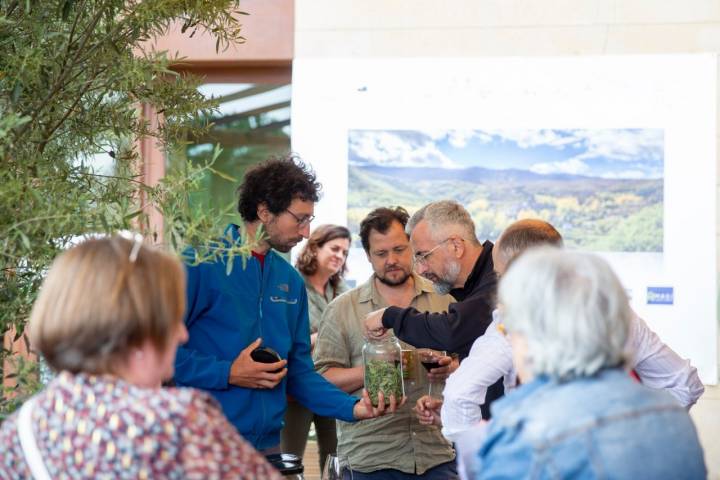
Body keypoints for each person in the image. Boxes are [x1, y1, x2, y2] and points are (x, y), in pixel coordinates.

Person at [416, 219, 705, 478]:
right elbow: (685, 383)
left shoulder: (523, 437)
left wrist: (482, 453)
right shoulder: (673, 424)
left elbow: (459, 394)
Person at [0, 235, 282, 479]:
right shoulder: (178, 420)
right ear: (137, 327)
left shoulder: (17, 431)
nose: (183, 334)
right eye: (171, 317)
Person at [174, 155, 396, 454]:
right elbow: (159, 356)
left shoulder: (290, 281)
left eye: (309, 220)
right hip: (202, 442)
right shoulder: (200, 263)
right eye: (299, 219)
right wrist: (227, 372)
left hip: (267, 449)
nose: (305, 232)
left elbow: (300, 374)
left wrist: (353, 408)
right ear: (264, 211)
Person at [314, 207, 459, 479]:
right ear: (367, 256)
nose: (391, 260)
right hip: (370, 458)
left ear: (413, 248)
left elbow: (469, 363)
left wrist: (450, 366)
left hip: (436, 453)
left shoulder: (445, 302)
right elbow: (321, 381)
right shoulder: (342, 309)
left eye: (399, 250)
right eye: (381, 254)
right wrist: (379, 368)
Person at [364, 200, 503, 417]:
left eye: (423, 256)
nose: (420, 269)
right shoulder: (472, 286)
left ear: (456, 246)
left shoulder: (498, 277)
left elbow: (452, 331)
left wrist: (390, 315)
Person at [281, 224, 351, 471]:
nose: (339, 256)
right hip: (298, 384)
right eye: (334, 248)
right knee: (289, 460)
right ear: (315, 247)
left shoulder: (343, 292)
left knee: (338, 459)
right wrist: (323, 336)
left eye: (344, 252)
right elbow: (286, 339)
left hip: (333, 382)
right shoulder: (290, 283)